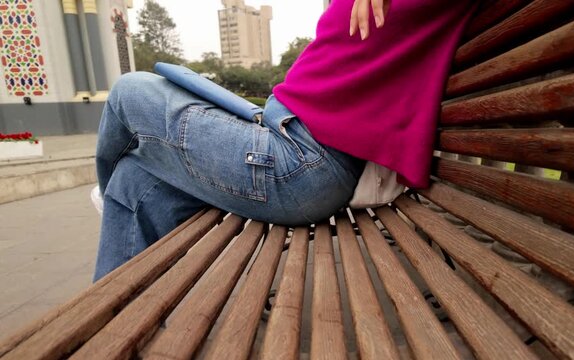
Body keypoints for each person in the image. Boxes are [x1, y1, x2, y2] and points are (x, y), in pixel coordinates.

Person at [92, 0, 477, 281]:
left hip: (301, 164)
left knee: (130, 92)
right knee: (137, 181)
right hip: (280, 136)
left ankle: (101, 191)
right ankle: (111, 337)